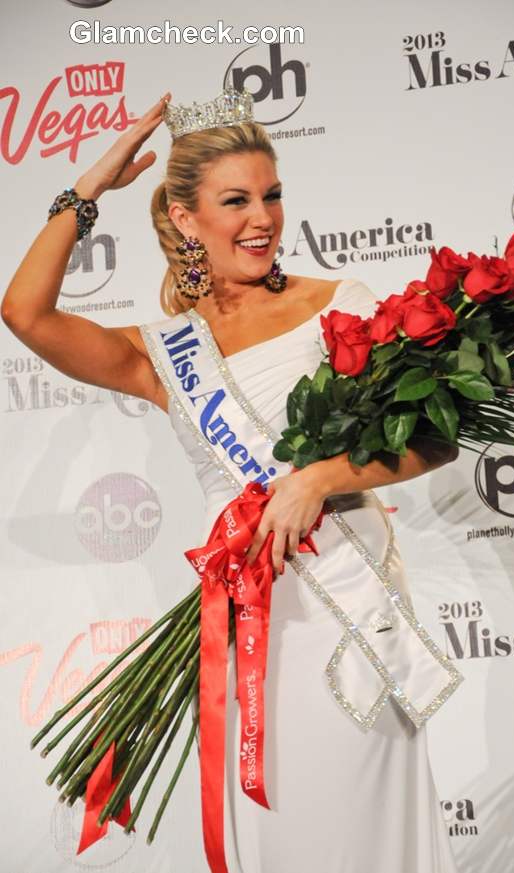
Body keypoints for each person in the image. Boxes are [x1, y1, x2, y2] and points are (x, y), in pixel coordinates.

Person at [2, 88, 462, 873]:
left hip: (350, 605)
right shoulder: (163, 351)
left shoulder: (338, 304)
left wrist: (318, 478)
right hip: (255, 623)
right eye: (237, 200)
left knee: (368, 823)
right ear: (186, 218)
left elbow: (435, 437)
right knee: (281, 828)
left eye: (272, 195)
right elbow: (24, 313)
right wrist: (88, 192)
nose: (263, 218)